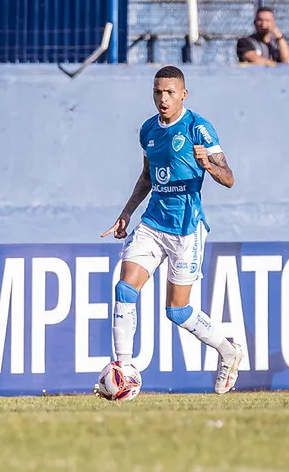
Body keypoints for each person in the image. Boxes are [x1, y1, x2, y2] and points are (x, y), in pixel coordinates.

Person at [101, 65, 243, 395]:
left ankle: (228, 350)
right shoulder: (148, 130)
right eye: (157, 92)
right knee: (125, 289)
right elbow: (148, 177)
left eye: (169, 92)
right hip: (152, 223)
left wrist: (207, 164)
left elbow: (230, 177)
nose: (163, 99)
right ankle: (124, 368)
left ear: (183, 94)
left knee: (177, 311)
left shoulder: (198, 128)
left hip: (186, 228)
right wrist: (126, 213)